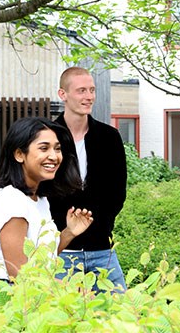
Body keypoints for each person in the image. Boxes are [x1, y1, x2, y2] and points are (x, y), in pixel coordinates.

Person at [48, 67, 127, 292]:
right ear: (63, 94)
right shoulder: (48, 135)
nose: (89, 96)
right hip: (61, 251)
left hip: (102, 249)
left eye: (91, 90)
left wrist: (93, 223)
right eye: (81, 90)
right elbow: (42, 188)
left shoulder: (109, 137)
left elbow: (117, 193)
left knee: (120, 317)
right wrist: (65, 228)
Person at [0, 117, 93, 281]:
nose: (54, 156)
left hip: (34, 297)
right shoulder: (12, 200)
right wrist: (70, 291)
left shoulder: (39, 199)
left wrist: (69, 233)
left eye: (57, 149)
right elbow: (20, 275)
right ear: (19, 154)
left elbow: (42, 258)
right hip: (11, 298)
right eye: (44, 148)